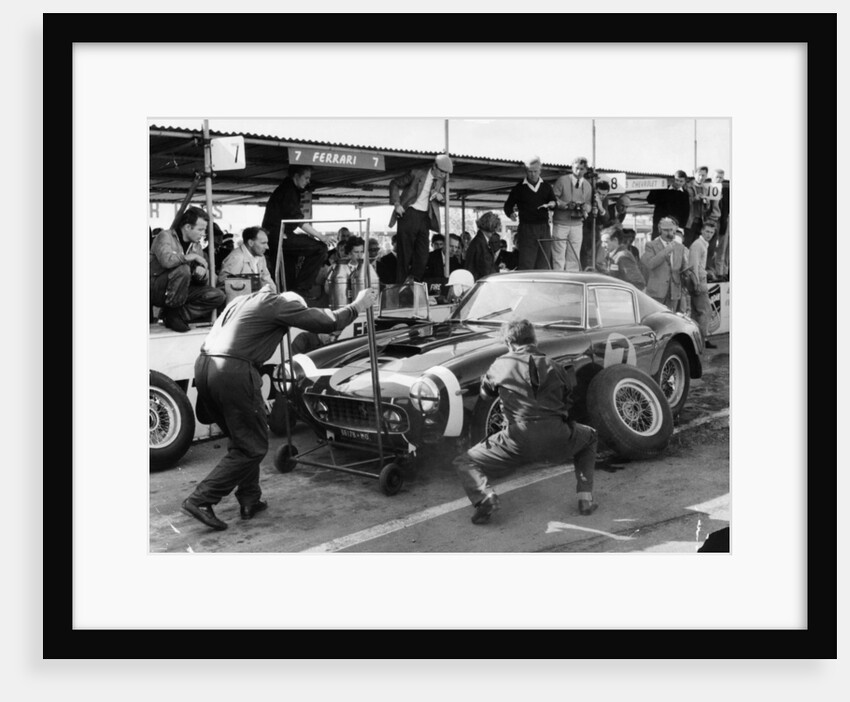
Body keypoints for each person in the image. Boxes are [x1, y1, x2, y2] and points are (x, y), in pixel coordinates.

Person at [181, 286, 379, 531]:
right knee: (253, 446)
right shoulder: (278, 304)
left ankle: (249, 499)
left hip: (205, 366)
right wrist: (358, 305)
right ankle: (201, 499)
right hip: (233, 370)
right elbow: (327, 321)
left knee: (242, 439)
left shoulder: (244, 301)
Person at [453, 319, 599, 524]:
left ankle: (484, 497)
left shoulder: (500, 365)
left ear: (510, 343)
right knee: (590, 436)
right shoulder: (557, 367)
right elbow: (569, 401)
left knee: (464, 461)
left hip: (517, 440)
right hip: (558, 437)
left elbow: (485, 396)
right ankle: (585, 499)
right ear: (534, 340)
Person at [150, 206, 226, 333]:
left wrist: (201, 274)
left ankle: (176, 315)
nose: (203, 234)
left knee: (217, 295)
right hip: (156, 289)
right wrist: (191, 257)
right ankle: (173, 313)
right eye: (200, 229)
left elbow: (200, 279)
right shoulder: (164, 236)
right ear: (187, 227)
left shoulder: (196, 246)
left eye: (204, 230)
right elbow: (167, 261)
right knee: (183, 269)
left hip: (180, 290)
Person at [261, 165, 333, 298]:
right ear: (296, 176)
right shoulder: (288, 191)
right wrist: (319, 236)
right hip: (279, 236)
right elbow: (298, 220)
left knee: (288, 274)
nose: (308, 181)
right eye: (306, 178)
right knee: (320, 248)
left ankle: (290, 295)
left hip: (280, 236)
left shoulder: (286, 189)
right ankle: (302, 289)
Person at [388, 153, 453, 284]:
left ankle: (413, 282)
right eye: (442, 172)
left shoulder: (441, 180)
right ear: (434, 166)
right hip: (409, 213)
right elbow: (394, 183)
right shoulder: (417, 173)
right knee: (405, 255)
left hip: (424, 217)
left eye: (446, 173)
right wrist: (397, 204)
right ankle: (400, 286)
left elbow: (443, 199)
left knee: (423, 256)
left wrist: (441, 198)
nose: (443, 176)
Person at [503, 155, 556, 270]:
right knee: (527, 262)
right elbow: (508, 205)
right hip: (526, 228)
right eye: (530, 171)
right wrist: (510, 213)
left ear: (540, 170)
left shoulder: (546, 187)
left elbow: (554, 202)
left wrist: (552, 204)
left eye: (535, 171)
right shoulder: (519, 188)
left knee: (544, 261)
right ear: (526, 171)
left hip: (544, 228)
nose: (532, 174)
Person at [552, 157, 593, 272]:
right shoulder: (562, 180)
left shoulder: (588, 185)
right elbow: (553, 198)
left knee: (574, 256)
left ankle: (572, 279)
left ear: (586, 170)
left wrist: (586, 208)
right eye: (576, 168)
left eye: (582, 169)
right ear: (572, 168)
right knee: (558, 255)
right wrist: (565, 205)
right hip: (560, 223)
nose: (579, 171)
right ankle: (557, 277)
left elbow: (589, 204)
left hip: (577, 224)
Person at [641, 217, 690, 312]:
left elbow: (684, 268)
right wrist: (666, 250)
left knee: (671, 319)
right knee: (656, 318)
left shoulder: (680, 247)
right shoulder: (650, 245)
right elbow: (651, 264)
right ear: (659, 230)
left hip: (673, 292)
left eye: (671, 230)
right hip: (656, 291)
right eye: (666, 230)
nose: (669, 233)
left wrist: (688, 274)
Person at [217, 226, 277, 295]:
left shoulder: (260, 257)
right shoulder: (236, 258)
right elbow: (224, 285)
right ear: (250, 243)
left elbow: (267, 280)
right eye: (263, 243)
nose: (267, 247)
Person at [688, 220, 718, 349]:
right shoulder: (698, 245)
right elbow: (693, 266)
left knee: (697, 312)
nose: (709, 234)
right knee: (706, 311)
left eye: (711, 232)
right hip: (698, 281)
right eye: (707, 231)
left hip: (699, 280)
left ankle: (697, 340)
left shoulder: (702, 244)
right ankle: (702, 340)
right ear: (702, 231)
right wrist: (696, 283)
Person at [647, 170, 690, 240]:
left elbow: (686, 211)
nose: (678, 183)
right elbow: (650, 200)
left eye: (681, 181)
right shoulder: (662, 189)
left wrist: (681, 226)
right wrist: (655, 186)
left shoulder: (684, 194)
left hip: (674, 227)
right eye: (677, 180)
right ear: (673, 179)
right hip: (659, 224)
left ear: (685, 182)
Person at [464, 211, 499, 281]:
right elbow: (486, 269)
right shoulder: (481, 243)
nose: (495, 231)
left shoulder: (479, 241)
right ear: (491, 226)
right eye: (495, 228)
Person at [684, 166, 711, 247]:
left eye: (703, 175)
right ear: (694, 174)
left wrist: (706, 202)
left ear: (706, 176)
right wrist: (693, 199)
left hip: (701, 222)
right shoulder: (687, 186)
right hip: (689, 221)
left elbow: (707, 209)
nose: (701, 177)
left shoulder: (706, 189)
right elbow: (682, 203)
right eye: (699, 175)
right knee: (686, 246)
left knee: (697, 246)